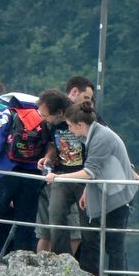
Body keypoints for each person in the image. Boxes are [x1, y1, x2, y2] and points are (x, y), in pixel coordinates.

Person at [44, 102, 139, 276]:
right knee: (96, 241)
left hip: (118, 198)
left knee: (114, 247)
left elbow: (90, 171)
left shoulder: (101, 138)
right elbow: (97, 168)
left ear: (80, 124)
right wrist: (88, 191)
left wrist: (59, 177)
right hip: (107, 196)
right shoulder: (94, 135)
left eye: (70, 125)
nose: (69, 129)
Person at [0, 76, 44, 254]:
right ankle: (25, 261)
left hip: (4, 172)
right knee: (25, 221)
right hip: (32, 171)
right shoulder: (26, 108)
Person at [38, 81, 94, 256]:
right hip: (61, 175)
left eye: (46, 116)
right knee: (55, 216)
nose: (44, 119)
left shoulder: (81, 116)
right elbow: (52, 144)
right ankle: (61, 260)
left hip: (84, 176)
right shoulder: (51, 124)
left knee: (88, 222)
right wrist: (48, 157)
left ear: (60, 113)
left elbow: (99, 143)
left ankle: (88, 266)